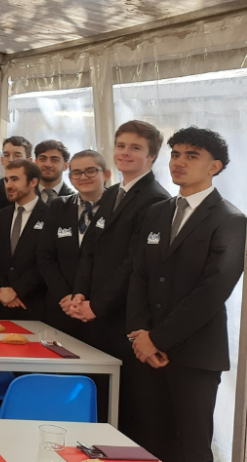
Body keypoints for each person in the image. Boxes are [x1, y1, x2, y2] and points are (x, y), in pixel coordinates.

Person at [126, 127, 245, 462]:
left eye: (192, 156)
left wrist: (158, 339)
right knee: (148, 439)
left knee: (190, 447)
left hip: (195, 354)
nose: (179, 162)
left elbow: (212, 292)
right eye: (175, 154)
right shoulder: (157, 212)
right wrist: (139, 335)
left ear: (215, 166)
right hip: (146, 348)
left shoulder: (231, 220)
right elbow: (139, 276)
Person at [70, 120, 170, 426]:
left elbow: (133, 263)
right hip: (93, 312)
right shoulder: (113, 194)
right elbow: (90, 249)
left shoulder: (154, 198)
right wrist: (80, 292)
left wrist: (96, 306)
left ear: (151, 156)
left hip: (120, 316)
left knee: (120, 403)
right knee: (94, 396)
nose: (125, 153)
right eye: (121, 146)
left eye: (135, 148)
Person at [37, 150, 109, 338]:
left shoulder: (117, 209)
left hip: (99, 309)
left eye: (91, 171)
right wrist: (66, 297)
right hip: (61, 306)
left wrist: (89, 303)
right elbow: (45, 257)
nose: (83, 177)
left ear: (106, 174)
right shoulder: (58, 206)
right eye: (76, 172)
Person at [0, 159, 47, 321]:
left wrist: (17, 290)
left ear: (33, 182)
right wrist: (2, 289)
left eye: (15, 179)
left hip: (33, 304)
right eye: (6, 180)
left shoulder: (51, 216)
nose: (8, 185)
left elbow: (48, 260)